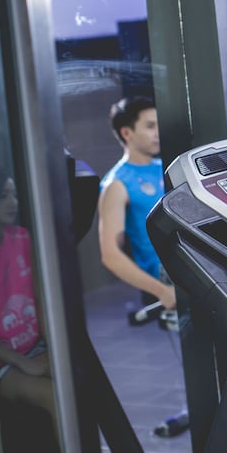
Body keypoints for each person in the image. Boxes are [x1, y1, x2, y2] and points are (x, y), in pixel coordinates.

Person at [0, 164, 64, 453]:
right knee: (54, 396)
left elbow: (40, 299)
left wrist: (54, 350)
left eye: (14, 194)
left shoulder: (21, 238)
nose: (13, 202)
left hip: (32, 346)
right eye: (3, 196)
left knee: (77, 383)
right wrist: (24, 363)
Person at [97, 96, 175, 310]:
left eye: (158, 124)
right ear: (127, 133)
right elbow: (111, 255)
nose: (158, 132)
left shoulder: (167, 166)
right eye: (150, 126)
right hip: (167, 274)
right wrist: (162, 291)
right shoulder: (117, 184)